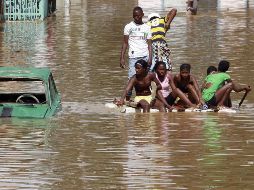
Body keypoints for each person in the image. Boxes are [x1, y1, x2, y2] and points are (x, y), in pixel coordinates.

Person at [120, 6, 152, 101]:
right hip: (133, 56)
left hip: (145, 56)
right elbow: (125, 43)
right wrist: (121, 58)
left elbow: (149, 45)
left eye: (138, 16)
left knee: (148, 78)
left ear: (142, 15)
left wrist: (150, 58)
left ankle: (150, 99)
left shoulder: (146, 28)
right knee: (131, 79)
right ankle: (127, 100)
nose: (136, 18)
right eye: (134, 16)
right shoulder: (129, 27)